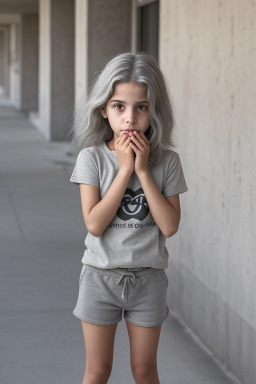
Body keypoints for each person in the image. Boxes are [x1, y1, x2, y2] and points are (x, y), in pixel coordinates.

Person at [69, 52, 188, 384]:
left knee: (144, 370)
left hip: (148, 279)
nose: (130, 119)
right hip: (100, 278)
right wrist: (124, 170)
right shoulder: (91, 158)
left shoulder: (167, 162)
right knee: (97, 370)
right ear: (104, 110)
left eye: (142, 107)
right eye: (119, 106)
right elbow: (94, 223)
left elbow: (169, 225)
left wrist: (142, 171)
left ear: (154, 111)